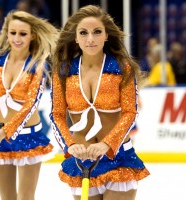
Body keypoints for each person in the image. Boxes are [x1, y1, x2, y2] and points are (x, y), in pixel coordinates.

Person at [49, 5, 150, 200]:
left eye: (97, 32)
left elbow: (131, 112)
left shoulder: (122, 67)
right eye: (83, 33)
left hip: (118, 157)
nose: (90, 39)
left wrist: (107, 144)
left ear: (106, 35)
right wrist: (69, 145)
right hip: (81, 160)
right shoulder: (63, 71)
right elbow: (57, 115)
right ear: (75, 37)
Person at [0, 10, 58, 200]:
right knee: (7, 197)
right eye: (13, 33)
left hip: (28, 137)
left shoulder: (38, 66)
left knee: (25, 197)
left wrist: (1, 134)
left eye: (22, 33)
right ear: (6, 33)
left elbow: (30, 106)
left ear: (32, 35)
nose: (17, 38)